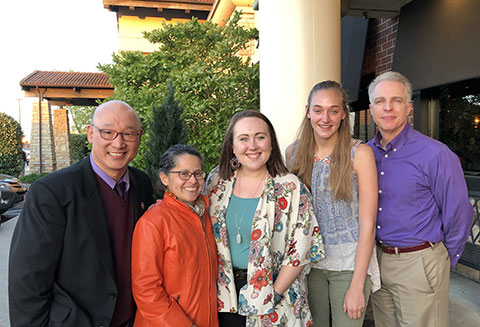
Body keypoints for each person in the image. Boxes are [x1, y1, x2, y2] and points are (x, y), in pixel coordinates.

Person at [9, 100, 154, 327]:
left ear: (139, 136)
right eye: (108, 132)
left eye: (128, 134)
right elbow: (28, 280)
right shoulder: (53, 192)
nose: (118, 143)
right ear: (90, 134)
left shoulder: (142, 184)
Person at [366, 71, 473, 327]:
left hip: (419, 263)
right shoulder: (364, 154)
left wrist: (441, 259)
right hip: (377, 261)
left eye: (396, 100)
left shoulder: (435, 154)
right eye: (380, 101)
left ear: (409, 107)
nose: (388, 107)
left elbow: (459, 213)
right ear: (371, 109)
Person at [204, 110, 324, 327]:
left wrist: (274, 294)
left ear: (271, 143)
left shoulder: (290, 187)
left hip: (276, 294)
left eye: (260, 137)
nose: (253, 146)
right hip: (224, 294)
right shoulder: (216, 182)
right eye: (243, 138)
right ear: (232, 146)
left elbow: (302, 249)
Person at [286, 80, 379, 327]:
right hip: (308, 265)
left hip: (350, 264)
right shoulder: (293, 153)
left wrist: (358, 284)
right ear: (308, 112)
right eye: (318, 110)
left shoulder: (360, 154)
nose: (325, 118)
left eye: (333, 110)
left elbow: (368, 224)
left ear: (342, 115)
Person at [131, 144, 218, 327]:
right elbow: (146, 289)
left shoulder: (205, 215)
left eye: (198, 173)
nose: (193, 181)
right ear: (164, 178)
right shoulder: (153, 222)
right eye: (183, 174)